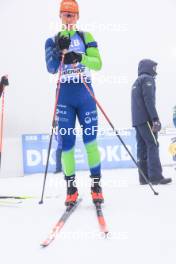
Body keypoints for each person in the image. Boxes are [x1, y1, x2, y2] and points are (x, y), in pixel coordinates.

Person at [45, 0, 103, 205]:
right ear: (59, 16)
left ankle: (96, 186)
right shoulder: (52, 40)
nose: (68, 18)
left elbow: (98, 64)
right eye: (65, 14)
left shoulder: (86, 37)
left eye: (72, 15)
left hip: (85, 94)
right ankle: (71, 189)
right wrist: (59, 54)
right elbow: (51, 69)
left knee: (90, 142)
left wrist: (79, 57)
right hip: (64, 97)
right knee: (67, 145)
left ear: (77, 17)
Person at [131, 59, 172, 185]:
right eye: (154, 68)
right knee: (152, 144)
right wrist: (155, 118)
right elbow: (149, 100)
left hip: (137, 120)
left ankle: (143, 178)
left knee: (142, 147)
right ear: (148, 68)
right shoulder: (147, 79)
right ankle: (155, 176)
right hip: (146, 119)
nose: (155, 71)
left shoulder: (136, 81)